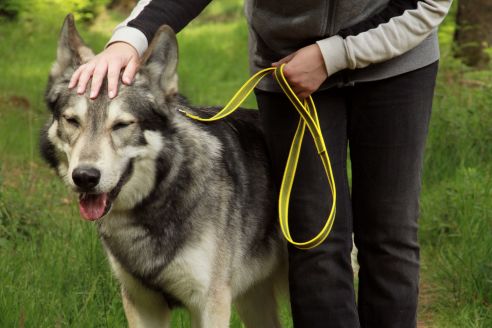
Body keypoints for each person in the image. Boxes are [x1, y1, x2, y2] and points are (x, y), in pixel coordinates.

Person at [69, 0, 452, 327]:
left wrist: (332, 55)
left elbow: (429, 3)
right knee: (314, 236)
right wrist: (130, 38)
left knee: (390, 234)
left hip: (397, 60)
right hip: (288, 68)